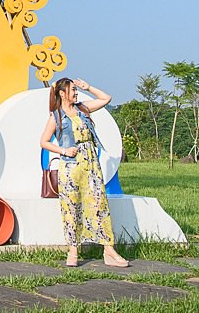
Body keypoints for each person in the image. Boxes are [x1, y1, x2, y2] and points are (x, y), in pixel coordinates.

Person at [39, 77, 129, 268]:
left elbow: (106, 99)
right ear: (62, 94)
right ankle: (73, 250)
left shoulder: (82, 108)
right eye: (73, 90)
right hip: (71, 166)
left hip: (90, 164)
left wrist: (88, 87)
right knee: (71, 206)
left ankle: (108, 249)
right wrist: (63, 151)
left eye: (76, 89)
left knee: (99, 203)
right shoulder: (55, 116)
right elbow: (44, 141)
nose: (76, 93)